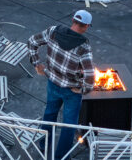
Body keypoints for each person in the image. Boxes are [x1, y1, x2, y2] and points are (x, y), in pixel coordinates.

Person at [28, 10, 94, 157]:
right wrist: (84, 90)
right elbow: (90, 76)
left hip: (52, 83)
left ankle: (43, 145)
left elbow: (32, 41)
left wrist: (36, 64)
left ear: (72, 20)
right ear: (87, 26)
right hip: (72, 91)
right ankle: (61, 156)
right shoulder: (84, 47)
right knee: (68, 125)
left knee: (49, 114)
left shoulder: (53, 31)